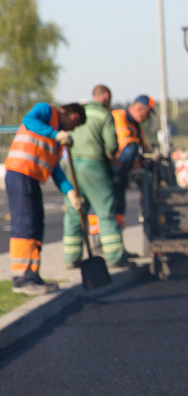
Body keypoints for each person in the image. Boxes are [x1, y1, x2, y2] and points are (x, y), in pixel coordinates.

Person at [4, 102, 86, 295]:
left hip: (31, 178)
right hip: (20, 173)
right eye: (74, 126)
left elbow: (55, 169)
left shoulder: (56, 138)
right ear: (74, 117)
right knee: (25, 224)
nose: (71, 130)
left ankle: (32, 274)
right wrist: (55, 134)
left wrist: (69, 191)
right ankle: (22, 279)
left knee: (36, 225)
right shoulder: (47, 110)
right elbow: (28, 120)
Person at [63, 85, 127, 268]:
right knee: (105, 212)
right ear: (106, 96)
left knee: (74, 211)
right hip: (95, 166)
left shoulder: (80, 113)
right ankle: (114, 256)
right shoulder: (104, 115)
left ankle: (72, 257)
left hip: (72, 166)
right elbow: (112, 147)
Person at [111, 95, 153, 229]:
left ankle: (118, 241)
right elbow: (126, 143)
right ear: (140, 109)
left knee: (120, 205)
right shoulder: (119, 116)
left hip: (122, 173)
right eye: (147, 114)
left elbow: (144, 148)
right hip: (114, 167)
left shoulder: (136, 127)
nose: (146, 118)